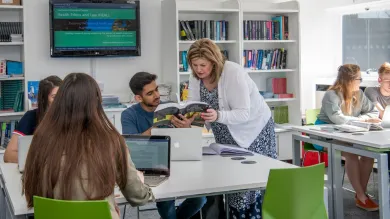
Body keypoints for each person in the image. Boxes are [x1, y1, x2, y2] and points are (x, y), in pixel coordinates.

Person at [22, 73, 154, 219]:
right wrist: (139, 182)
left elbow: (31, 193)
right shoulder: (111, 141)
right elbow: (138, 197)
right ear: (96, 103)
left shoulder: (41, 138)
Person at [187, 38, 277, 218]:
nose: (199, 69)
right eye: (194, 65)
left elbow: (243, 113)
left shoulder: (233, 72)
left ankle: (249, 215)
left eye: (203, 65)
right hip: (224, 130)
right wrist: (188, 120)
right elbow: (195, 107)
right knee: (230, 177)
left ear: (214, 61)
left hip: (253, 130)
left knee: (247, 183)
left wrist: (218, 116)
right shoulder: (196, 77)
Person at [121, 72, 206, 219]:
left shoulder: (170, 109)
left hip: (177, 160)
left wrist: (186, 127)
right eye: (150, 93)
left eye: (156, 90)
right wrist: (155, 128)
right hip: (149, 165)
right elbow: (131, 145)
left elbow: (188, 141)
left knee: (201, 198)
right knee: (166, 202)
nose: (157, 95)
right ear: (138, 98)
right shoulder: (129, 114)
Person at [316, 64, 380, 211]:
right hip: (325, 136)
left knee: (368, 155)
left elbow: (373, 112)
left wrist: (364, 119)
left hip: (349, 134)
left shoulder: (359, 94)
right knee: (351, 154)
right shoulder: (331, 95)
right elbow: (338, 119)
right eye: (359, 78)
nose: (361, 81)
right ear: (349, 80)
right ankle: (362, 197)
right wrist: (364, 120)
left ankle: (360, 195)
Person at [4, 75, 62, 163]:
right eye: (54, 97)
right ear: (44, 99)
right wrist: (42, 161)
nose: (60, 100)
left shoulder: (73, 117)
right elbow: (8, 155)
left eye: (62, 96)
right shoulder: (31, 117)